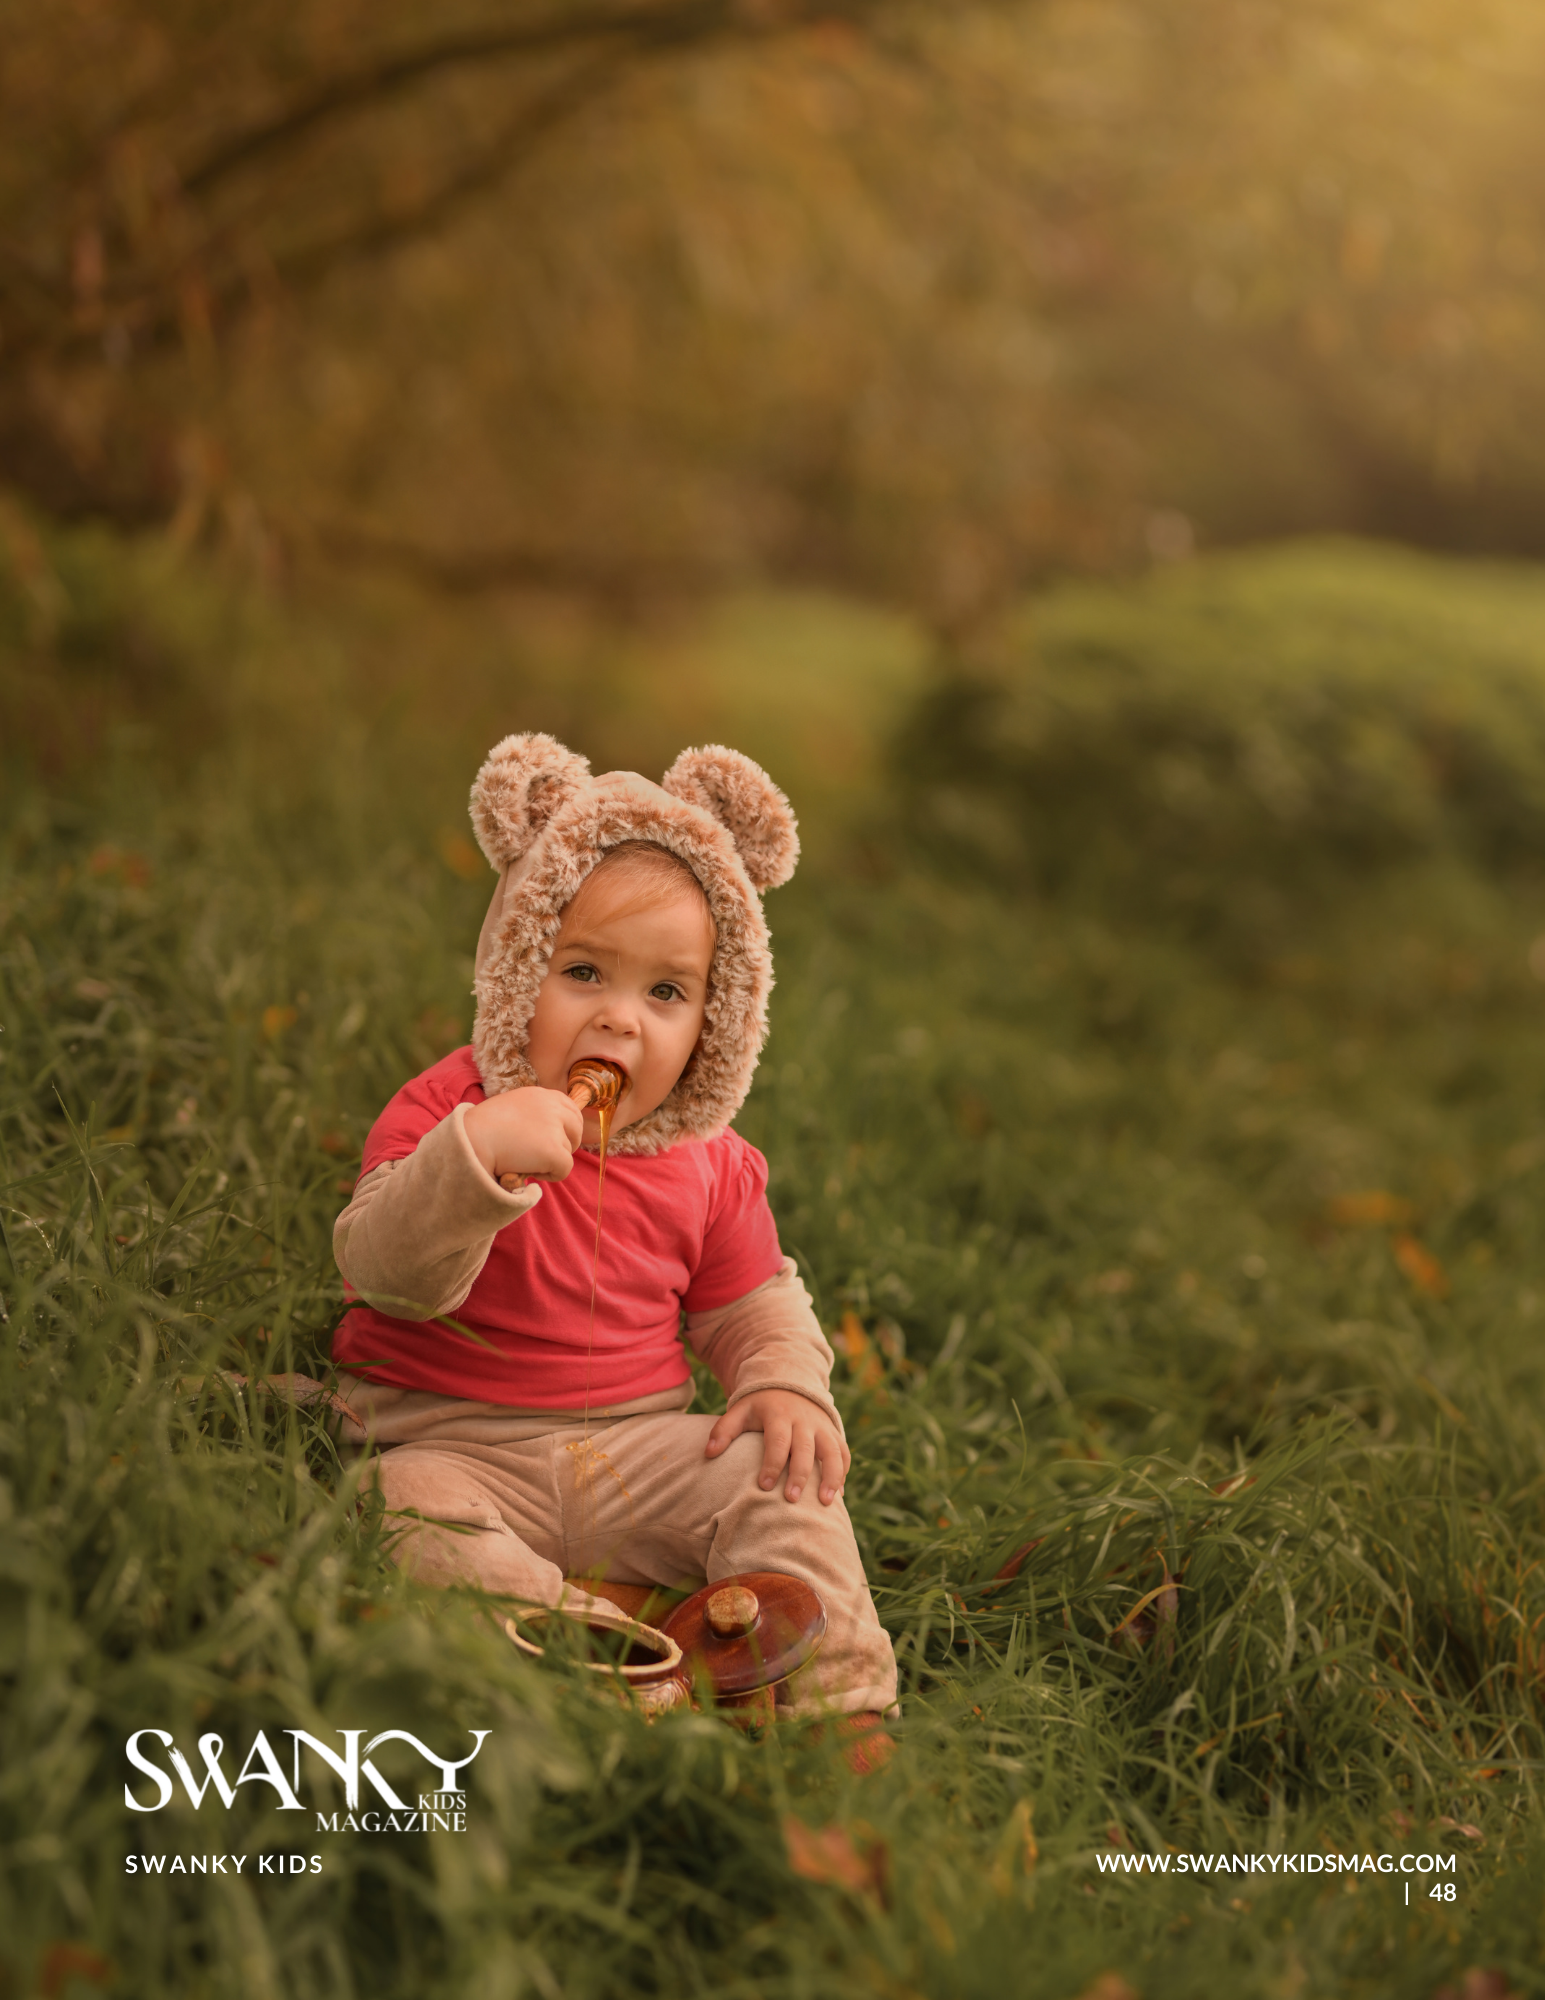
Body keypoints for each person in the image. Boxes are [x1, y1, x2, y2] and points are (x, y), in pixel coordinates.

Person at [331, 732, 899, 1736]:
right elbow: (383, 1271)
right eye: (584, 971)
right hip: (453, 1441)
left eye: (666, 991)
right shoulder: (446, 1114)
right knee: (398, 1504)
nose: (622, 1021)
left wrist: (779, 1378)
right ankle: (587, 1645)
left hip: (634, 1450)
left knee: (775, 1471)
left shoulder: (710, 1162)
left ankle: (836, 1700)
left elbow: (755, 1301)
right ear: (516, 972)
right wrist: (473, 1165)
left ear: (715, 1019)